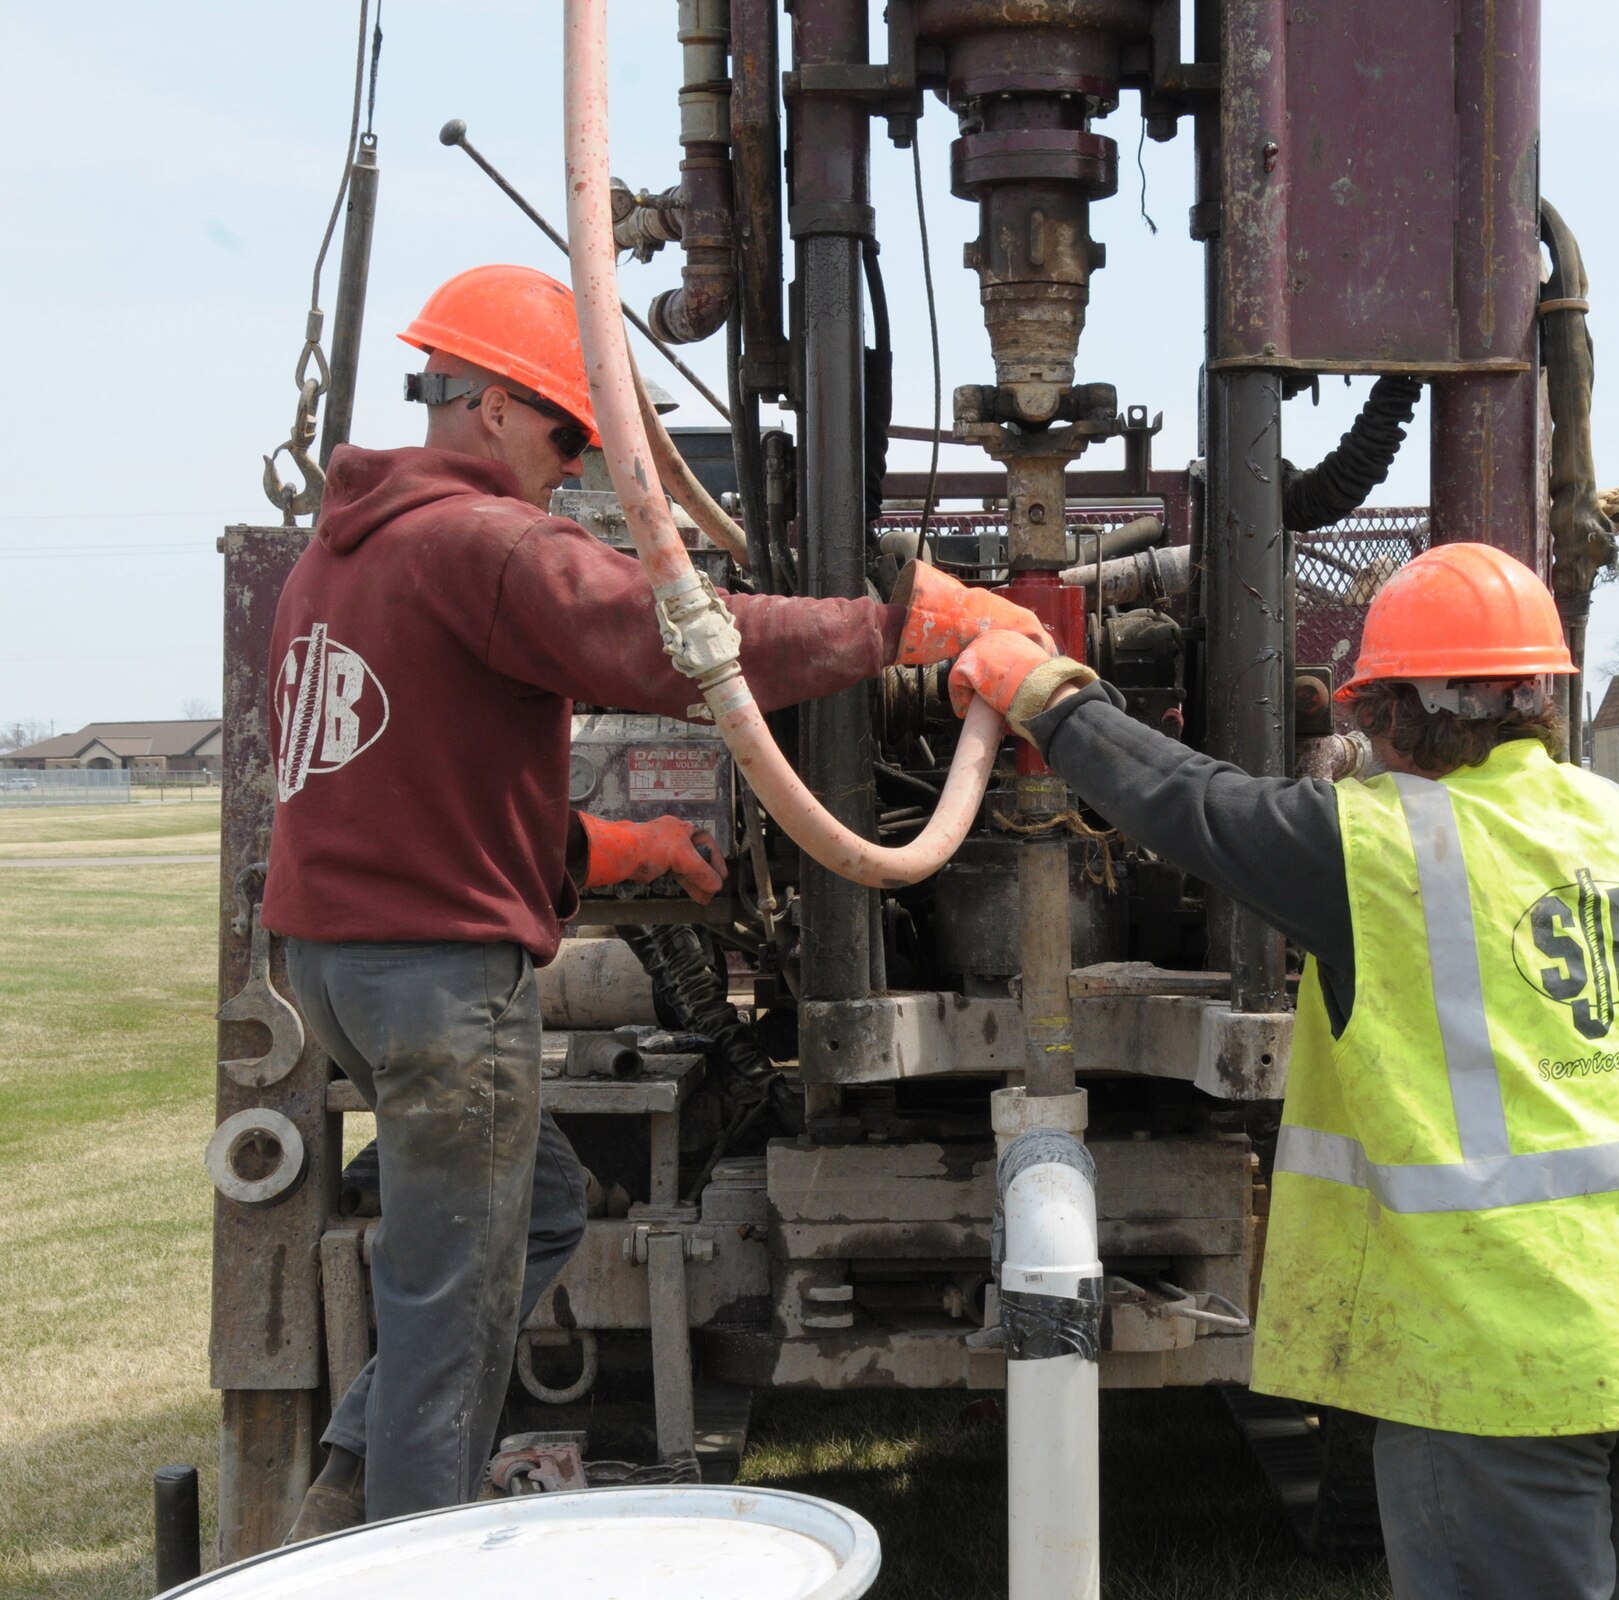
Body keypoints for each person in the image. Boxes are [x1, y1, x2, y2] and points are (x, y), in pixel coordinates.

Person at [266, 263, 1047, 1537]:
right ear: (500, 410)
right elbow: (676, 641)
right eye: (573, 434)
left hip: (343, 971)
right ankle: (398, 1553)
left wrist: (610, 847)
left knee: (545, 1210)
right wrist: (897, 624)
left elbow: (406, 789)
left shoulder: (343, 558)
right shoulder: (493, 543)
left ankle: (352, 1466)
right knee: (447, 1306)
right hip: (442, 987)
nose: (574, 468)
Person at [948, 541, 1619, 1600]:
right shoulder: (1611, 819)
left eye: (1371, 714)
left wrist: (1044, 694)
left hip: (1499, 1370)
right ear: (1536, 695)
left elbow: (1195, 807)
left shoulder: (1386, 850)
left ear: (1401, 708)